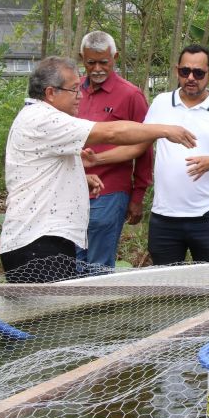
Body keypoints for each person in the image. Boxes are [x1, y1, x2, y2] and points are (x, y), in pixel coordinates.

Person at [0, 56, 196, 282]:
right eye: (74, 90)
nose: (80, 96)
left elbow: (44, 171)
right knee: (50, 316)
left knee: (57, 314)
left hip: (44, 243)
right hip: (37, 246)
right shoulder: (43, 119)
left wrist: (79, 180)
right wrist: (163, 130)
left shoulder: (37, 117)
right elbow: (111, 133)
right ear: (51, 93)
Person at [143, 44, 209, 265]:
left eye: (198, 73)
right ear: (177, 71)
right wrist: (101, 157)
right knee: (164, 284)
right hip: (164, 216)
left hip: (206, 216)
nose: (191, 78)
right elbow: (140, 143)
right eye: (185, 71)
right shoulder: (161, 103)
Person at [74, 31, 152, 268]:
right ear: (82, 58)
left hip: (109, 192)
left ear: (115, 57)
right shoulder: (72, 91)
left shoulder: (131, 95)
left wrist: (137, 195)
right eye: (91, 62)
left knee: (98, 264)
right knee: (71, 261)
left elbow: (145, 149)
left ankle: (96, 306)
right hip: (72, 190)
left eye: (103, 62)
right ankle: (75, 306)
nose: (97, 68)